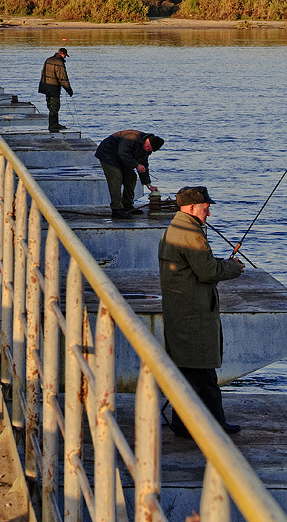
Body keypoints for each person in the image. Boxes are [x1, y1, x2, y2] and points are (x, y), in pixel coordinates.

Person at [159, 186, 244, 437]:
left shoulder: (175, 228)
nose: (209, 213)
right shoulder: (190, 233)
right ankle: (216, 424)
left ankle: (183, 425)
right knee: (204, 372)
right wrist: (232, 267)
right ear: (193, 208)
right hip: (193, 314)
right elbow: (208, 271)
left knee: (186, 371)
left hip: (180, 311)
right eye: (206, 208)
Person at [94, 129, 164, 218]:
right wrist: (136, 165)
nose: (148, 149)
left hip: (123, 159)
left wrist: (148, 185)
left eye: (150, 149)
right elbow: (123, 153)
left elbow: (143, 166)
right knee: (116, 177)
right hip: (108, 154)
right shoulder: (132, 137)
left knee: (131, 177)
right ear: (147, 140)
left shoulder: (147, 150)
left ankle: (127, 204)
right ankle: (117, 209)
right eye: (148, 146)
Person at [38, 48, 73, 132]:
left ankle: (53, 124)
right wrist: (68, 89)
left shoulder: (49, 59)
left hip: (46, 87)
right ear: (62, 53)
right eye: (64, 55)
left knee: (50, 106)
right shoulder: (59, 62)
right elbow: (62, 77)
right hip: (53, 88)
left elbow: (43, 72)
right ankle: (53, 125)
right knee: (55, 106)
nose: (65, 57)